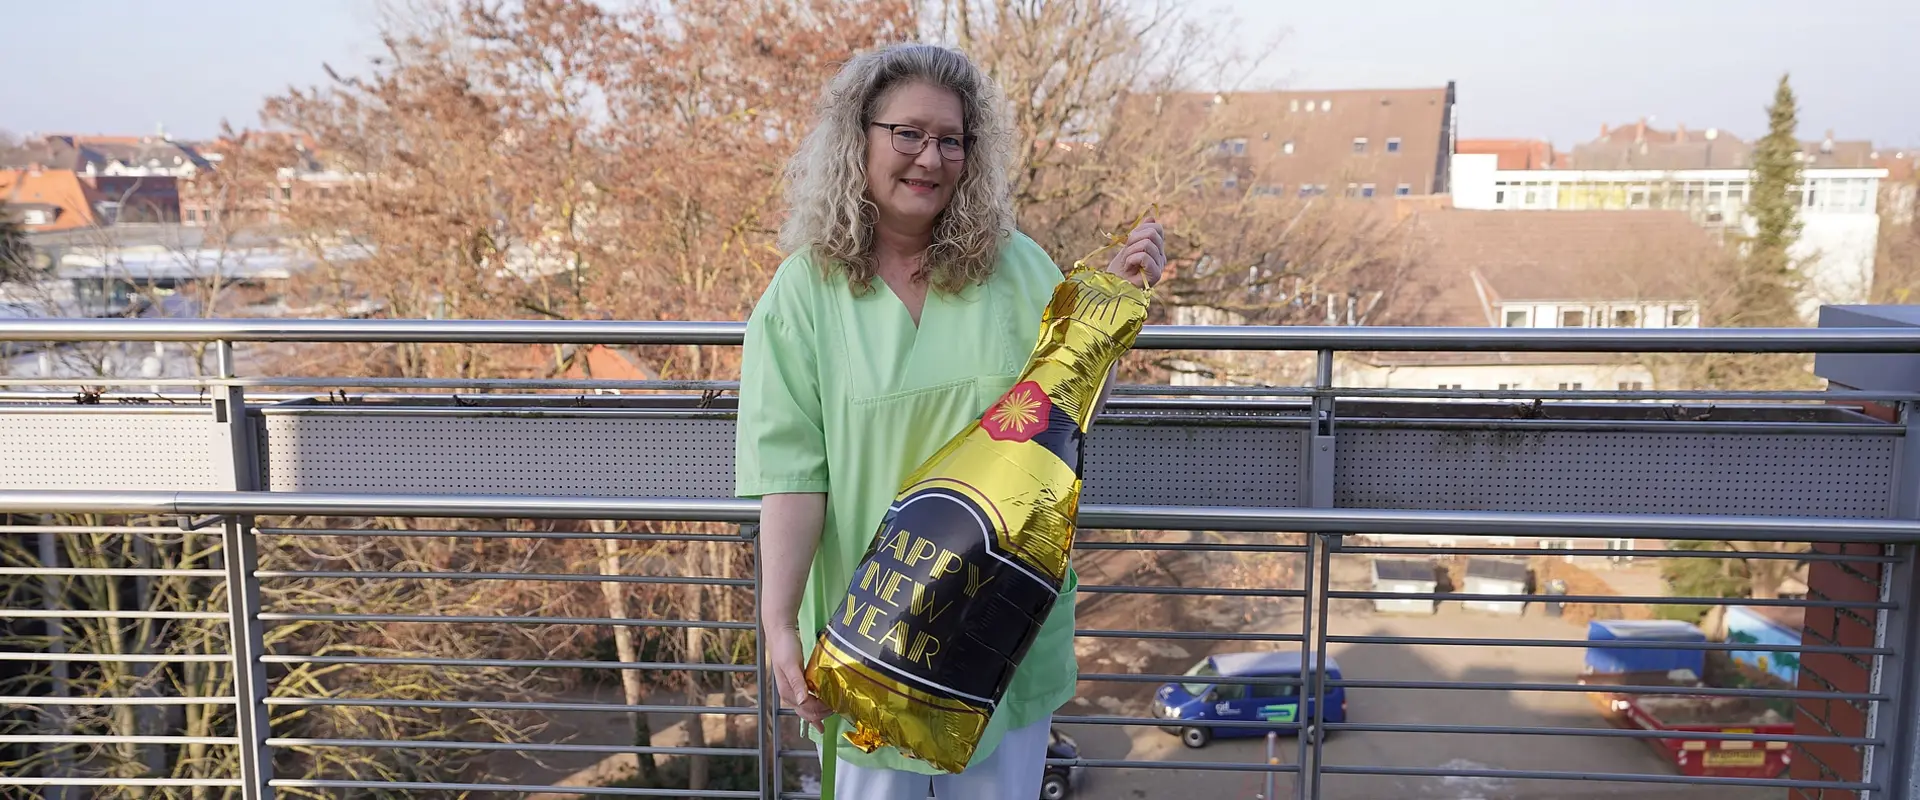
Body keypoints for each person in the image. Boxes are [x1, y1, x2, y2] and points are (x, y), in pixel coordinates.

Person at [736, 42, 1165, 799]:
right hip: (874, 644)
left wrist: (1118, 303)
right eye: (907, 133)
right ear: (858, 136)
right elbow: (793, 475)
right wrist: (778, 622)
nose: (928, 158)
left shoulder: (1016, 268)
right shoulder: (803, 294)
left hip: (1000, 639)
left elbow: (1068, 403)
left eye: (950, 140)